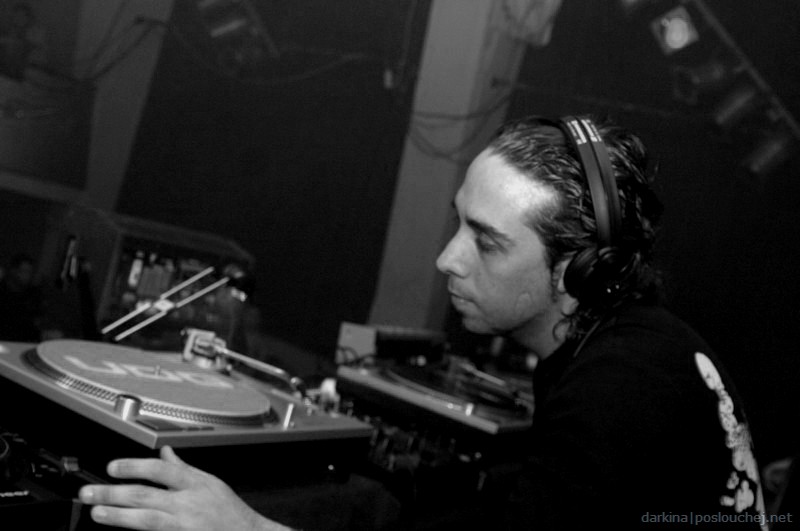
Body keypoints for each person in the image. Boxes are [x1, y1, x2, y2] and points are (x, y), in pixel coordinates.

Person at [77, 115, 769, 530]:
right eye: (458, 222)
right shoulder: (632, 347)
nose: (447, 259)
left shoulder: (622, 392)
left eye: (486, 242)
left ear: (577, 272)